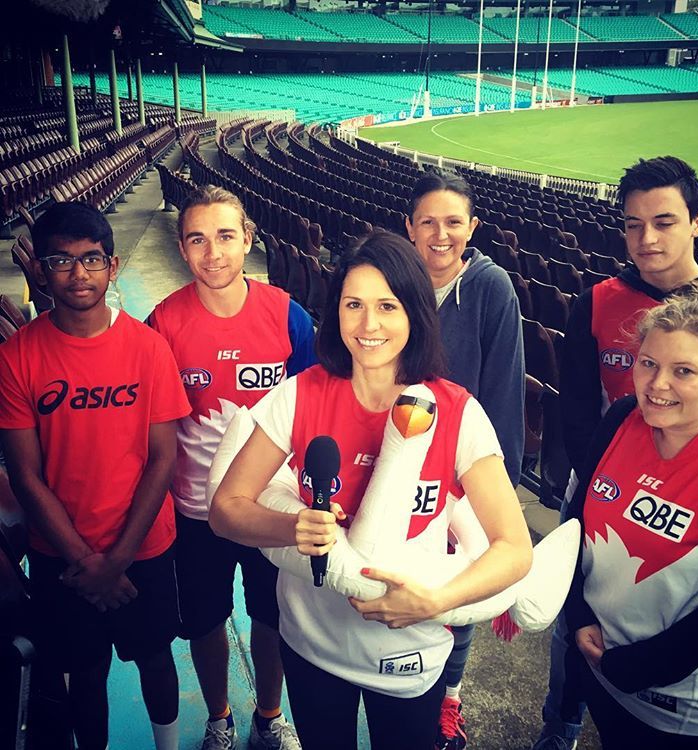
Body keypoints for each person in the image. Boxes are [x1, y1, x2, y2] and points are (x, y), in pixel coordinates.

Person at [209, 229, 533, 750]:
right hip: (312, 647)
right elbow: (226, 509)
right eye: (353, 304)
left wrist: (435, 602)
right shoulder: (299, 395)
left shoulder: (457, 411)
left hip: (411, 654)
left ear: (415, 312)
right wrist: (293, 526)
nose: (368, 325)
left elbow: (515, 549)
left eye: (387, 306)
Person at [533, 155, 698, 750]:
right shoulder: (599, 300)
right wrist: (614, 470)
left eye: (664, 221)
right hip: (610, 472)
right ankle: (564, 718)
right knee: (575, 607)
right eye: (633, 224)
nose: (647, 238)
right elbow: (578, 405)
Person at [0, 202, 191, 750]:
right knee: (83, 671)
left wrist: (117, 561)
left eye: (91, 259)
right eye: (61, 260)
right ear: (40, 270)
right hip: (62, 553)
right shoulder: (17, 358)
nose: (78, 273)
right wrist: (87, 562)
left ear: (112, 265)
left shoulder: (149, 348)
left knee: (155, 656)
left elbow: (162, 459)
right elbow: (25, 474)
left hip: (143, 545)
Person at [148, 185, 315, 750]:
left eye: (224, 236)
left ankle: (269, 716)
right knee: (204, 621)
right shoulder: (162, 323)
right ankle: (218, 717)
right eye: (197, 239)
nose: (212, 252)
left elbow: (315, 411)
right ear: (182, 248)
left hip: (271, 509)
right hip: (195, 512)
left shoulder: (288, 316)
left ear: (248, 239)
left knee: (272, 618)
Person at [565, 279, 698, 749]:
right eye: (648, 363)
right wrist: (578, 615)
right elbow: (577, 528)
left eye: (683, 371)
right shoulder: (622, 417)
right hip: (604, 677)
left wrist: (633, 668)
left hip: (686, 712)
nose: (657, 385)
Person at [405, 169, 525, 750]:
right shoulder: (395, 279)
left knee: (458, 592)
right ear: (409, 226)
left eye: (453, 222)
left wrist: (494, 489)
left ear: (472, 227)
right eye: (428, 222)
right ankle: (411, 687)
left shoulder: (490, 287)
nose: (440, 234)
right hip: (400, 461)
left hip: (465, 469)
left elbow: (503, 388)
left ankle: (448, 700)